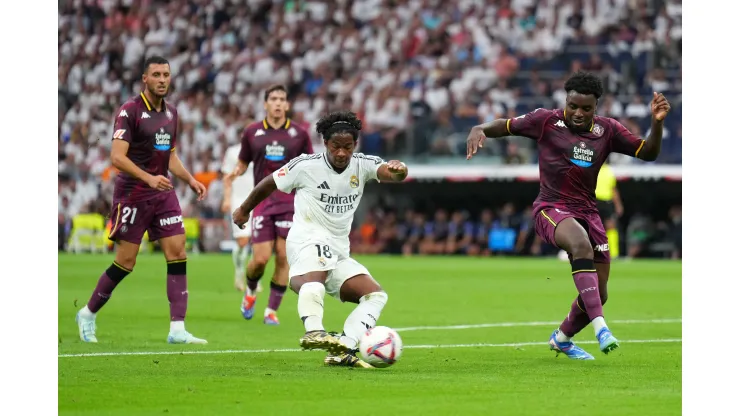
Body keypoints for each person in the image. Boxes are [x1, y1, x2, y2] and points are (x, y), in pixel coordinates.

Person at [466, 71, 671, 360]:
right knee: (580, 245)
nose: (577, 112)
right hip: (551, 208)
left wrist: (657, 123)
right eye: (573, 105)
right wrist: (481, 127)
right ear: (566, 100)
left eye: (586, 108)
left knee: (600, 294)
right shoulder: (546, 120)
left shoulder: (607, 130)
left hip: (589, 213)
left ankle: (562, 338)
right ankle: (602, 329)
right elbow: (506, 126)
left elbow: (647, 153)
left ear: (596, 107)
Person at [232, 111, 409, 368]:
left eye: (347, 147)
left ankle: (345, 346)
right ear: (325, 143)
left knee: (375, 295)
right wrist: (244, 209)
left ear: (354, 145)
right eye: (335, 146)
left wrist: (399, 170)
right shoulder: (305, 166)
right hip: (306, 240)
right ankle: (313, 330)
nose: (341, 153)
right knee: (315, 276)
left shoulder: (362, 164)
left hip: (337, 251)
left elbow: (392, 173)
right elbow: (268, 183)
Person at [75, 56, 208, 344]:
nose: (162, 79)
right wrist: (148, 178)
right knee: (126, 261)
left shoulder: (172, 113)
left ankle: (177, 330)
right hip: (132, 194)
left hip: (163, 193)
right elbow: (117, 158)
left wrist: (190, 179)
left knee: (177, 251)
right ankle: (87, 313)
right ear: (144, 79)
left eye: (166, 74)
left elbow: (170, 155)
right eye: (157, 74)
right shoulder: (130, 111)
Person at [225, 85, 313, 325]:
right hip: (262, 202)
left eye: (281, 99)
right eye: (273, 98)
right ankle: (251, 291)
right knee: (261, 259)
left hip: (288, 202)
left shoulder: (299, 134)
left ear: (287, 105)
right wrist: (235, 172)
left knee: (284, 256)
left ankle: (271, 311)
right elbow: (243, 162)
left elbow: (310, 165)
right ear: (265, 104)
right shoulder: (252, 132)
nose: (277, 103)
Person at [220, 143, 262, 293]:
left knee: (259, 241)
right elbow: (227, 176)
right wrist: (226, 199)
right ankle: (239, 272)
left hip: (258, 198)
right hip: (238, 199)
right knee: (243, 241)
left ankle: (255, 277)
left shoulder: (262, 149)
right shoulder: (233, 152)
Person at [594, 162, 624, 258]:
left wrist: (618, 205)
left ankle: (614, 253)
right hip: (594, 200)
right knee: (592, 227)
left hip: (607, 202)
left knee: (611, 226)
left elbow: (613, 189)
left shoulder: (609, 171)